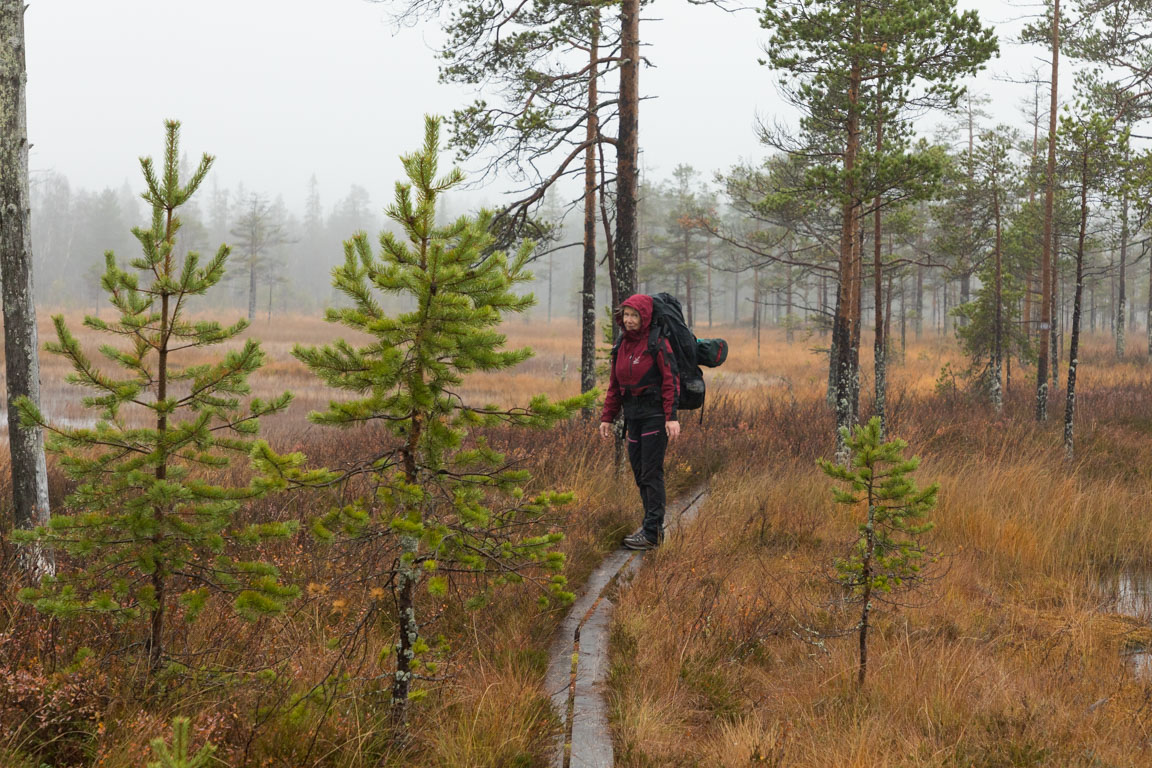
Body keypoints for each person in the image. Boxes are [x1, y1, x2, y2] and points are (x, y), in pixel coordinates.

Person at [598, 294, 681, 550]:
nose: (630, 320)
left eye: (635, 315)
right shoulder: (621, 344)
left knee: (651, 473)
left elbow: (670, 381)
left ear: (644, 317)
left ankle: (652, 533)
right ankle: (650, 528)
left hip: (655, 415)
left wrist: (672, 417)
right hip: (632, 417)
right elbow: (615, 385)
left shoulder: (657, 342)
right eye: (626, 315)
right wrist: (607, 417)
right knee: (639, 474)